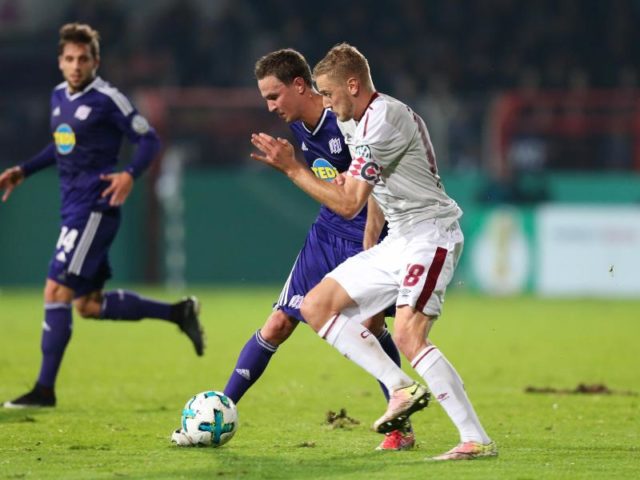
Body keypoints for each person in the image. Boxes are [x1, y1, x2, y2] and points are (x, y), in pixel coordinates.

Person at [250, 43, 497, 461]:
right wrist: (371, 237)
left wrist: (293, 169)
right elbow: (372, 193)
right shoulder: (353, 120)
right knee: (315, 307)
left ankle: (475, 439)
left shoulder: (385, 119)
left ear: (353, 84)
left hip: (429, 235)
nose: (325, 103)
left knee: (406, 333)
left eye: (328, 94)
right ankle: (401, 389)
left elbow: (347, 201)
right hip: (399, 239)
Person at [0, 23, 205, 409]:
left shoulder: (109, 98)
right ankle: (179, 312)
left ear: (96, 61)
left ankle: (44, 390)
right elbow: (61, 145)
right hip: (72, 205)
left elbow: (149, 139)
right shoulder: (59, 95)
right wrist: (24, 170)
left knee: (55, 290)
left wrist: (129, 174)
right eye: (70, 59)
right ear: (60, 62)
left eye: (83, 59)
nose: (76, 65)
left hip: (94, 208)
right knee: (88, 305)